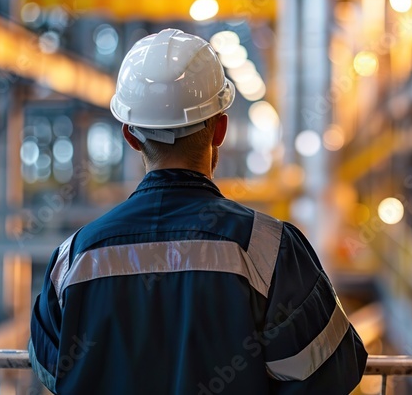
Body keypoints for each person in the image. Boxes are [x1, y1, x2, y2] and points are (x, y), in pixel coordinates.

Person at [28, 28, 368, 394]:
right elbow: (335, 366)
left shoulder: (74, 259)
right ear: (219, 128)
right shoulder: (270, 250)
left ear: (130, 135)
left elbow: (50, 369)